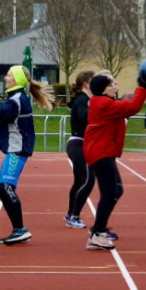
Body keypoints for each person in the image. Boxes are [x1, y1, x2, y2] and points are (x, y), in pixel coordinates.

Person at [0, 65, 54, 245]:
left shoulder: (16, 100)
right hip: (15, 149)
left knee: (5, 188)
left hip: (17, 150)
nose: (5, 78)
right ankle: (19, 229)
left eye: (8, 75)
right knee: (3, 188)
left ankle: (20, 229)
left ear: (16, 79)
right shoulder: (17, 98)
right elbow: (0, 110)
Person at [83, 72, 146, 250]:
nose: (115, 85)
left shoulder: (103, 102)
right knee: (109, 192)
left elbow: (125, 110)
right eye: (111, 83)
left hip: (103, 151)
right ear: (103, 89)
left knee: (116, 190)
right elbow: (133, 108)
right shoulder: (103, 103)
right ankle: (97, 233)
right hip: (100, 152)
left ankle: (98, 229)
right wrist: (142, 87)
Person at [64, 70, 95, 229]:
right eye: (93, 80)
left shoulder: (86, 99)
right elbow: (85, 117)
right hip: (78, 144)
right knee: (87, 180)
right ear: (86, 84)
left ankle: (70, 213)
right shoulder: (82, 100)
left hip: (82, 144)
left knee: (78, 181)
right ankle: (74, 216)